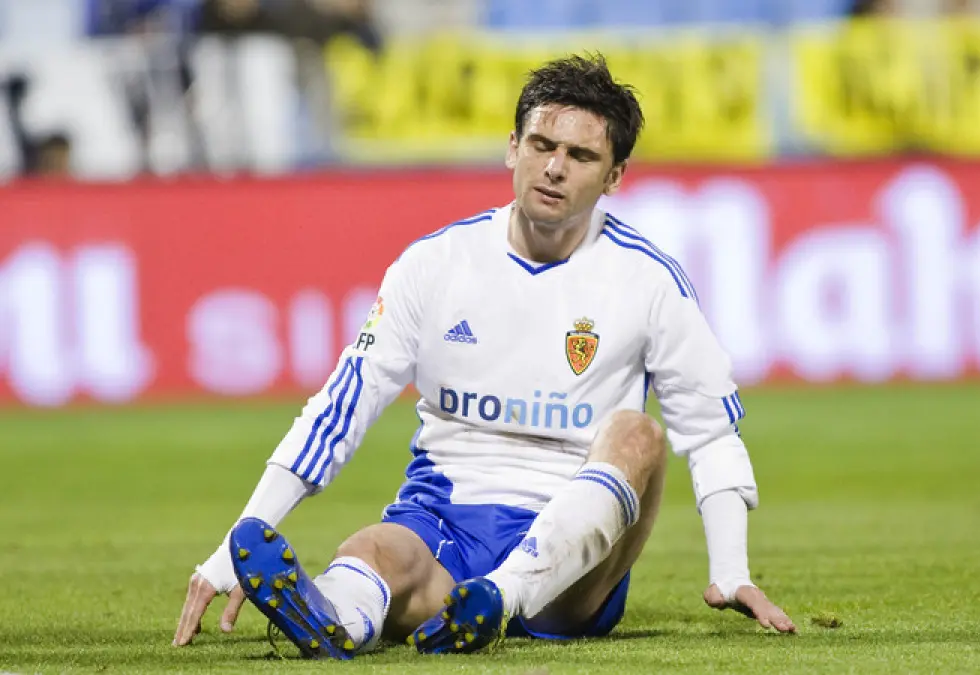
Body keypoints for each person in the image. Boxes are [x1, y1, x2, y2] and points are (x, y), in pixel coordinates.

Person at [172, 52, 794, 659]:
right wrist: (236, 543)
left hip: (572, 561)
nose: (554, 168)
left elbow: (710, 432)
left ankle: (503, 594)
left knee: (639, 434)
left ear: (614, 177)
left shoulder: (648, 280)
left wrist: (730, 571)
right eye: (541, 145)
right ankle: (332, 618)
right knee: (373, 551)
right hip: (442, 522)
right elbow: (340, 410)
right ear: (512, 148)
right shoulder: (433, 265)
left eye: (580, 156)